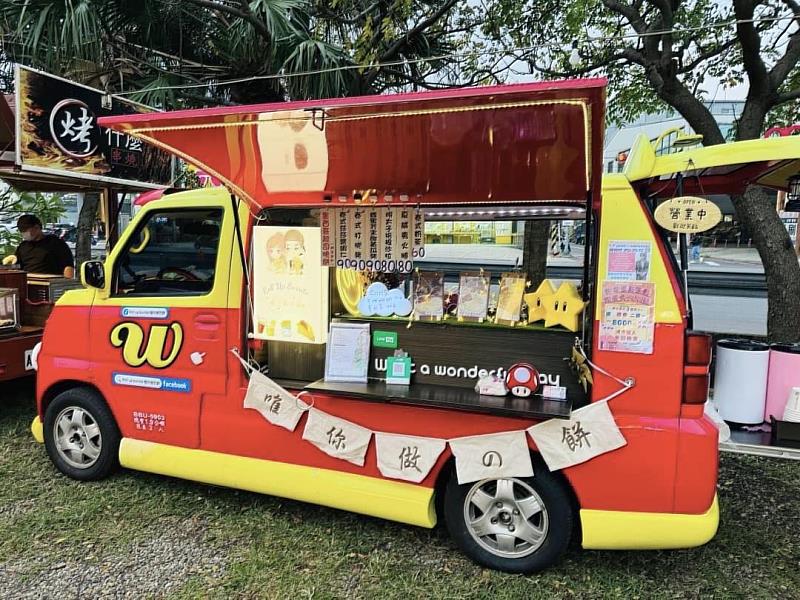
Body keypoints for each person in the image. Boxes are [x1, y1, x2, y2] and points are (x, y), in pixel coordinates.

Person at [2, 214, 74, 277]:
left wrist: (66, 284)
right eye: (21, 231)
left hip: (49, 282)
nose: (24, 233)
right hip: (28, 281)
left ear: (37, 227)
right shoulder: (23, 246)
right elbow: (17, 267)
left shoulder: (55, 243)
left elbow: (68, 266)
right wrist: (8, 265)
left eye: (26, 230)